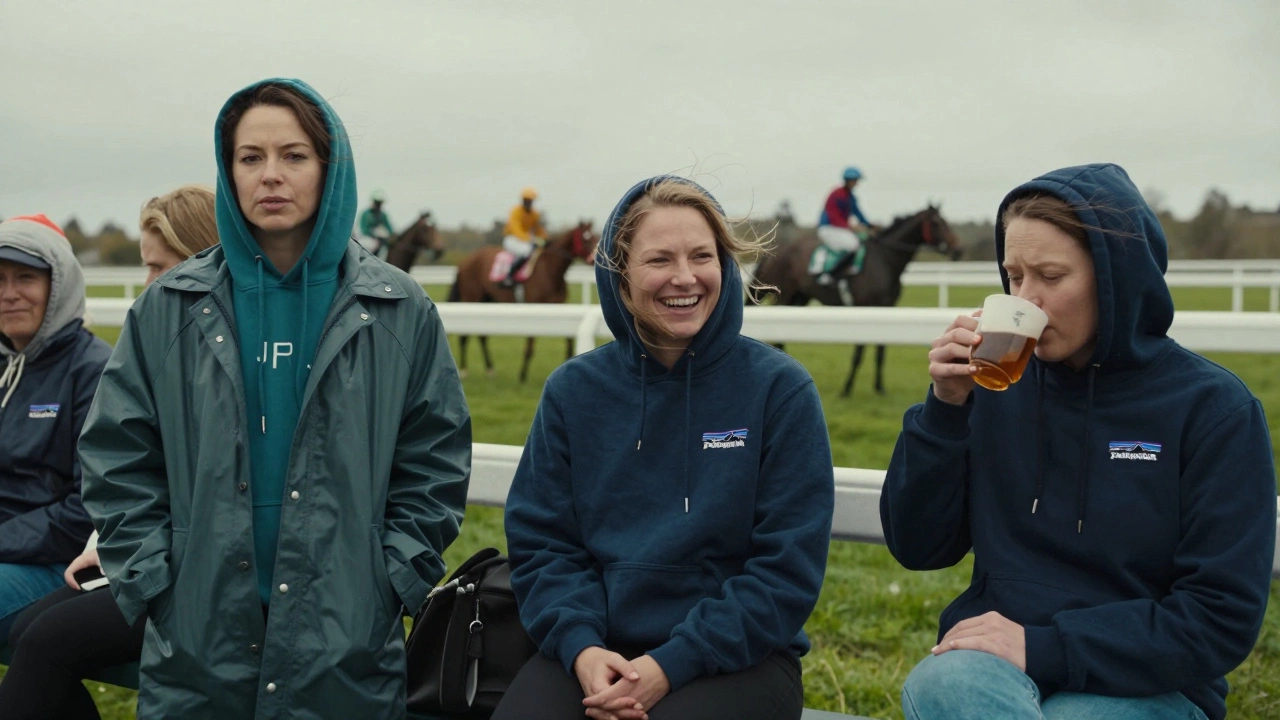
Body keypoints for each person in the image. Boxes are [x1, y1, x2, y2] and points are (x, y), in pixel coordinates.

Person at [78, 78, 472, 719]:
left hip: (345, 635)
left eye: (294, 156)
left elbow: (434, 458)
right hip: (199, 635)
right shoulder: (166, 307)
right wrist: (155, 583)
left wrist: (390, 580)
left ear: (328, 167)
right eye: (250, 157)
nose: (271, 176)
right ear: (228, 170)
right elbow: (116, 453)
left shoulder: (399, 310)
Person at [880, 163, 1276, 720]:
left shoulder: (1214, 410)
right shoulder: (993, 386)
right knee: (948, 686)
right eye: (1014, 277)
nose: (1027, 299)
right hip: (990, 667)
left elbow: (1218, 618)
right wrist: (944, 410)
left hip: (1148, 684)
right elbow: (919, 546)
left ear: (1116, 278)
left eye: (1051, 275)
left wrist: (1046, 646)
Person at [494, 176, 834, 720]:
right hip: (594, 650)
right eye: (659, 260)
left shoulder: (779, 390)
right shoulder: (572, 392)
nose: (684, 277)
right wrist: (581, 648)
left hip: (738, 658)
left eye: (702, 255)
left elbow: (784, 572)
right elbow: (544, 544)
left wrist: (672, 664)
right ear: (620, 277)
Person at [0, 186, 218, 720]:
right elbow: (132, 475)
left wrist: (118, 541)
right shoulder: (164, 354)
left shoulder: (102, 366)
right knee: (36, 635)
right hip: (129, 556)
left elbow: (97, 495)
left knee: (44, 640)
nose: (147, 286)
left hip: (197, 574)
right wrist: (112, 541)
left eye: (158, 267)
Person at [0, 214, 109, 644]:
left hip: (58, 564)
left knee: (40, 658)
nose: (9, 294)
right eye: (0, 279)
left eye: (25, 277)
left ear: (59, 285)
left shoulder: (94, 370)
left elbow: (86, 509)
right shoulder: (5, 365)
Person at [814, 166, 875, 282]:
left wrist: (870, 225)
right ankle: (829, 274)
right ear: (847, 180)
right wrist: (851, 227)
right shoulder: (836, 194)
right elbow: (834, 216)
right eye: (855, 180)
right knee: (853, 245)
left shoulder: (851, 197)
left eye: (857, 180)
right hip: (828, 228)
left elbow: (858, 213)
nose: (857, 183)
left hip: (839, 228)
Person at [501, 186, 548, 286]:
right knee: (526, 251)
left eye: (530, 200)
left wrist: (545, 240)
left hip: (526, 239)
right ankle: (509, 275)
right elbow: (515, 229)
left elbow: (539, 230)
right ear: (523, 200)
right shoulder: (515, 211)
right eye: (526, 200)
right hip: (512, 238)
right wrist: (530, 240)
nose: (528, 202)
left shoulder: (535, 214)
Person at [358, 189, 394, 258]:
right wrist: (374, 235)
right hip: (366, 238)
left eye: (380, 203)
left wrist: (392, 235)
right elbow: (363, 229)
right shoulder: (366, 214)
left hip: (379, 238)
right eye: (377, 203)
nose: (379, 205)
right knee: (371, 245)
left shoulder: (383, 214)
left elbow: (388, 226)